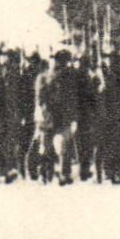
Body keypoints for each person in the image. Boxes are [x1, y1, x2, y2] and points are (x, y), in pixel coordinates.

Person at [32, 45, 83, 185]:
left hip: (63, 117)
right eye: (61, 61)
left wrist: (74, 118)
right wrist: (41, 112)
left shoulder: (71, 78)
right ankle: (45, 172)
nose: (64, 64)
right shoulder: (44, 77)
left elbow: (74, 99)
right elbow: (40, 99)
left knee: (63, 146)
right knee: (47, 146)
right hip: (49, 117)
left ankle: (63, 174)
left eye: (65, 61)